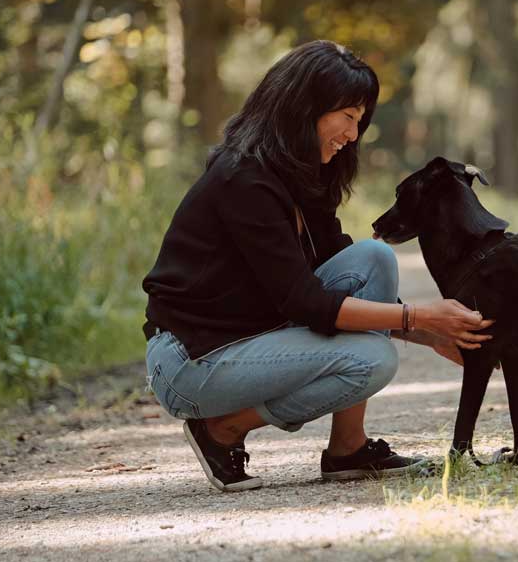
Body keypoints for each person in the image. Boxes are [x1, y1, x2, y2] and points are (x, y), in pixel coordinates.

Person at [142, 40, 494, 492]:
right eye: (347, 117)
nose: (353, 132)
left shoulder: (303, 173)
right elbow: (306, 301)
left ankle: (348, 448)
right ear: (303, 107)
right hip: (191, 360)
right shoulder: (243, 179)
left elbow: (339, 269)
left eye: (360, 120)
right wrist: (419, 316)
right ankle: (220, 429)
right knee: (370, 360)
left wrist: (428, 333)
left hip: (247, 337)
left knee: (374, 258)